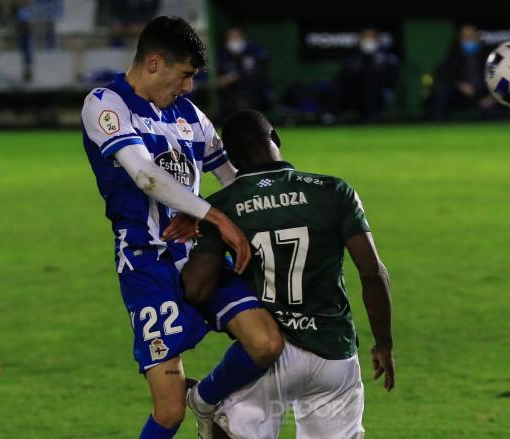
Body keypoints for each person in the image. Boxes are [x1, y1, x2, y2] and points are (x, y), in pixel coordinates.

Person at [81, 16, 284, 438]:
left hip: (200, 257)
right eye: (186, 74)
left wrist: (212, 210)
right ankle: (189, 405)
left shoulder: (191, 117)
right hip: (146, 263)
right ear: (154, 63)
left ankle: (206, 400)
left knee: (266, 344)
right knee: (168, 412)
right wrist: (213, 215)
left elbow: (232, 180)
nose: (189, 86)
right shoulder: (105, 104)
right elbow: (144, 175)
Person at [183, 109, 395, 438]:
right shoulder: (334, 191)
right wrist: (384, 344)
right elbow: (372, 273)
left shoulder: (222, 207)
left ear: (232, 159)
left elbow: (196, 288)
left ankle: (208, 405)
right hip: (334, 353)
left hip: (270, 352)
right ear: (276, 139)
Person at [430, 24, 500, 121]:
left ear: (478, 37)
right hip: (460, 95)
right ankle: (438, 125)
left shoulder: (490, 57)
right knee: (441, 90)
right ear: (460, 39)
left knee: (496, 106)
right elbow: (443, 76)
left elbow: (500, 80)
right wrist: (459, 84)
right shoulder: (453, 57)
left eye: (472, 35)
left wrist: (492, 97)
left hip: (484, 95)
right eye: (466, 36)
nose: (469, 38)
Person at [330, 28, 400, 122]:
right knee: (340, 85)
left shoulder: (387, 56)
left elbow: (391, 78)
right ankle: (330, 115)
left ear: (377, 39)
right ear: (360, 39)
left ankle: (373, 116)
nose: (368, 40)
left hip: (380, 94)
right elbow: (343, 77)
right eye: (366, 37)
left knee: (371, 81)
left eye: (371, 37)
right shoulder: (353, 56)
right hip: (356, 94)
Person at [216, 28, 271, 123]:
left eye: (237, 37)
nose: (234, 41)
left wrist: (234, 77)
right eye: (231, 38)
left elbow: (258, 73)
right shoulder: (223, 55)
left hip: (254, 92)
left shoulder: (254, 51)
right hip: (232, 94)